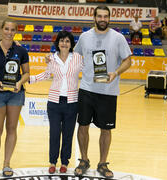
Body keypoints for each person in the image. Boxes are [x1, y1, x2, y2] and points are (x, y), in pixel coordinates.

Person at [73, 5, 131, 178]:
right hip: (86, 89)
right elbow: (73, 56)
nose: (103, 19)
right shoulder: (84, 37)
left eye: (106, 16)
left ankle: (102, 163)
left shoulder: (118, 38)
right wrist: (51, 58)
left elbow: (128, 61)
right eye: (100, 16)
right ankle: (84, 160)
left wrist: (116, 72)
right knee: (82, 126)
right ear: (94, 18)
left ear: (109, 18)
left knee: (106, 130)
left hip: (108, 91)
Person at [0, 18, 30, 177]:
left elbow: (27, 73)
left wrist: (19, 82)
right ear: (1, 29)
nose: (9, 32)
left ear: (16, 32)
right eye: (7, 29)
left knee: (11, 129)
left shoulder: (21, 51)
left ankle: (7, 163)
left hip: (15, 94)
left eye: (12, 30)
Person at [30, 31, 83, 174]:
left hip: (72, 102)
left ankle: (64, 162)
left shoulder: (78, 58)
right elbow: (47, 74)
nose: (64, 43)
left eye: (67, 41)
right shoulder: (52, 58)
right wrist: (29, 79)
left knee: (68, 133)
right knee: (54, 133)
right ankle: (52, 161)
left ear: (71, 44)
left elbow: (88, 72)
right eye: (61, 41)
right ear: (57, 43)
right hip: (54, 102)